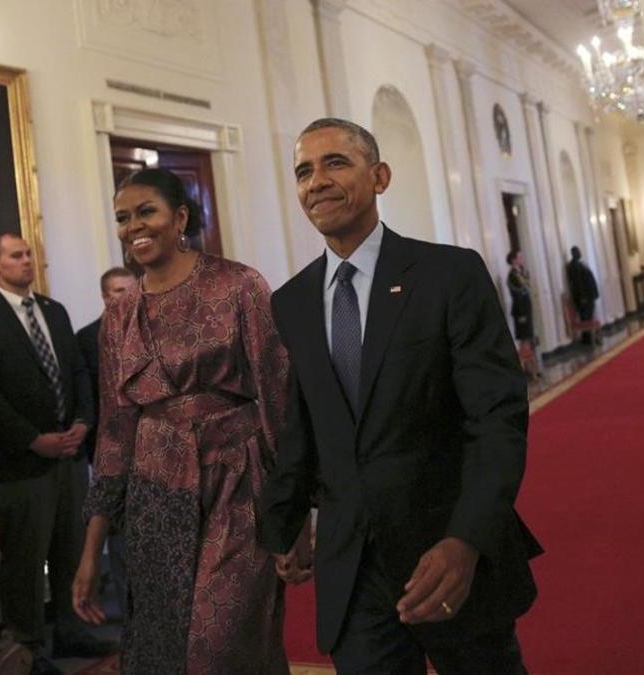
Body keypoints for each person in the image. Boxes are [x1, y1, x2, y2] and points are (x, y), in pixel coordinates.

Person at [258, 118, 543, 673]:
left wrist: (467, 539)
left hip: (449, 553)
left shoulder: (448, 274)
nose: (316, 181)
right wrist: (284, 523)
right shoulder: (290, 302)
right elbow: (304, 425)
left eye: (335, 162)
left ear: (380, 176)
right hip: (353, 568)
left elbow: (497, 418)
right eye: (303, 171)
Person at [71, 168, 291, 674]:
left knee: (220, 650)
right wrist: (92, 549)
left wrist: (294, 514)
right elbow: (114, 434)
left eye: (146, 211)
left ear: (181, 217)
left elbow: (278, 401)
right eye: (123, 218)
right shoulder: (120, 316)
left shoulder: (239, 285)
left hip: (235, 487)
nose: (133, 227)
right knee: (163, 652)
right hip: (156, 498)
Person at [0, 234, 113, 674]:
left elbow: (79, 370)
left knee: (70, 549)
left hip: (69, 455)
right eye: (16, 256)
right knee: (26, 559)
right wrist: (33, 439)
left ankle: (72, 627)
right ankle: (27, 646)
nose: (26, 261)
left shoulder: (54, 311)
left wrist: (84, 420)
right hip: (20, 463)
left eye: (29, 254)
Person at [75, 266, 136, 617]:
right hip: (109, 451)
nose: (123, 297)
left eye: (129, 290)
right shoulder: (86, 339)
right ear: (104, 296)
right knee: (119, 534)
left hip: (157, 451)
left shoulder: (155, 326)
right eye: (116, 291)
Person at [506, 250, 539, 380]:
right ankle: (527, 370)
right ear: (514, 260)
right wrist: (521, 314)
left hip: (526, 309)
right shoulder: (512, 275)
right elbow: (518, 294)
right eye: (519, 257)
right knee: (524, 339)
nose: (522, 259)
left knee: (529, 338)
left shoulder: (522, 272)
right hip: (520, 311)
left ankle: (531, 368)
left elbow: (526, 288)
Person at [566, 245, 599, 345]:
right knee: (585, 317)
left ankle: (590, 337)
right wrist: (582, 297)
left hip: (589, 295)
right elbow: (577, 283)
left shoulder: (580, 264)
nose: (580, 253)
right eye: (578, 251)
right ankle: (587, 339)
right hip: (584, 297)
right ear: (574, 253)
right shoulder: (573, 266)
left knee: (589, 316)